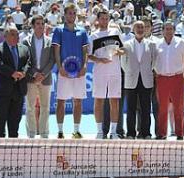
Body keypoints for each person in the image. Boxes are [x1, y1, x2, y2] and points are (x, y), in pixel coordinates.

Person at [52, 3, 89, 139]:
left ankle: (76, 131)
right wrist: (60, 67)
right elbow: (56, 51)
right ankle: (60, 131)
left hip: (79, 72)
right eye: (69, 13)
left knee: (78, 101)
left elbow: (85, 51)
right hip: (64, 72)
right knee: (61, 101)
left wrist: (84, 66)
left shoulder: (83, 31)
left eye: (74, 13)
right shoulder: (58, 30)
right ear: (65, 14)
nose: (71, 15)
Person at [88, 10, 123, 139]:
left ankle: (113, 132)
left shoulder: (115, 32)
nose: (104, 20)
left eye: (106, 18)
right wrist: (99, 60)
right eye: (102, 18)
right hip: (99, 72)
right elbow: (89, 55)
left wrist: (117, 52)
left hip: (115, 72)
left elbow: (123, 49)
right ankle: (99, 132)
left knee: (114, 101)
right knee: (99, 101)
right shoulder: (93, 36)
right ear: (98, 20)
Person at [0, 26, 31, 138]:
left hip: (18, 90)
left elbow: (28, 63)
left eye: (17, 34)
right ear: (6, 36)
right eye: (13, 34)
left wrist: (23, 72)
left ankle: (13, 140)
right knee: (0, 119)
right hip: (3, 91)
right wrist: (12, 73)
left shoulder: (24, 48)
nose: (16, 37)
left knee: (15, 119)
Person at [153, 20, 184, 140]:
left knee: (179, 107)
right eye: (166, 29)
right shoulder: (156, 44)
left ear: (174, 30)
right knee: (162, 107)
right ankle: (162, 133)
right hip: (162, 78)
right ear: (162, 31)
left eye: (170, 29)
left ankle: (180, 133)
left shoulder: (182, 43)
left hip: (177, 78)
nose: (168, 31)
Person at [121, 21, 156, 139]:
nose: (140, 29)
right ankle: (130, 133)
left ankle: (146, 133)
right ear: (133, 29)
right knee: (130, 109)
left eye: (142, 27)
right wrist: (131, 72)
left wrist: (147, 71)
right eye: (138, 27)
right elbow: (123, 63)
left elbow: (154, 61)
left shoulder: (151, 44)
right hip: (131, 80)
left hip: (146, 80)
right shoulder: (126, 44)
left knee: (146, 108)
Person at [23, 15, 55, 138]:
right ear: (33, 25)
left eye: (42, 23)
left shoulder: (50, 41)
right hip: (30, 79)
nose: (41, 26)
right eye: (38, 24)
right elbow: (25, 59)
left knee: (45, 108)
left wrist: (43, 74)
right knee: (30, 107)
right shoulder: (26, 41)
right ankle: (31, 134)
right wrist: (35, 73)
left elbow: (52, 60)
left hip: (46, 79)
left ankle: (44, 134)